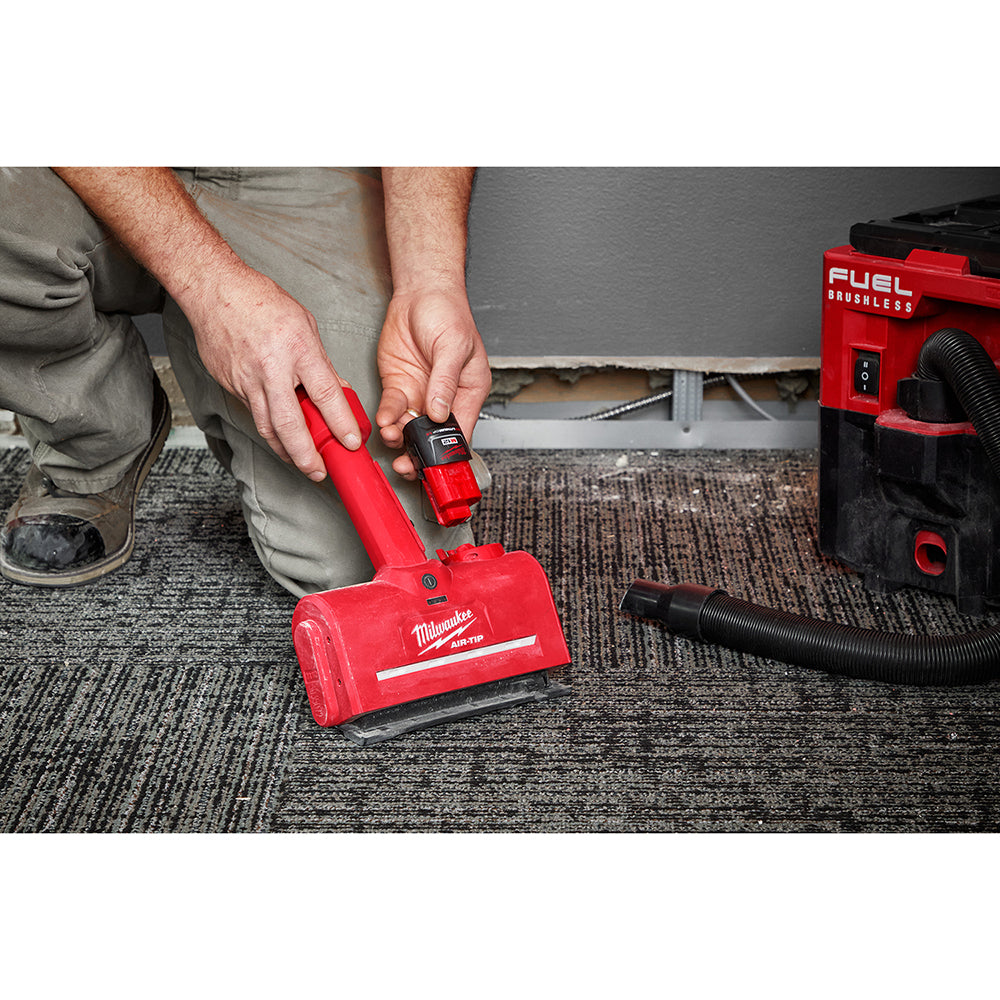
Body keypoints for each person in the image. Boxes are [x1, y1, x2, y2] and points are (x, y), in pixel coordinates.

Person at [0, 167, 492, 597]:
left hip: (294, 172)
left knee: (373, 569)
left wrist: (430, 281)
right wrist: (211, 286)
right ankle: (92, 440)